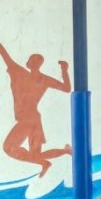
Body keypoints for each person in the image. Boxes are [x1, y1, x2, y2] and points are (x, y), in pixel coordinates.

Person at [0, 43, 72, 177]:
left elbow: (4, 55)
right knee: (36, 155)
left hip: (27, 120)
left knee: (9, 147)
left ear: (28, 63)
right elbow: (67, 88)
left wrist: (64, 70)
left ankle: (46, 163)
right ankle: (64, 152)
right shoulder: (43, 79)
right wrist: (64, 70)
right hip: (34, 118)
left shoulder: (19, 72)